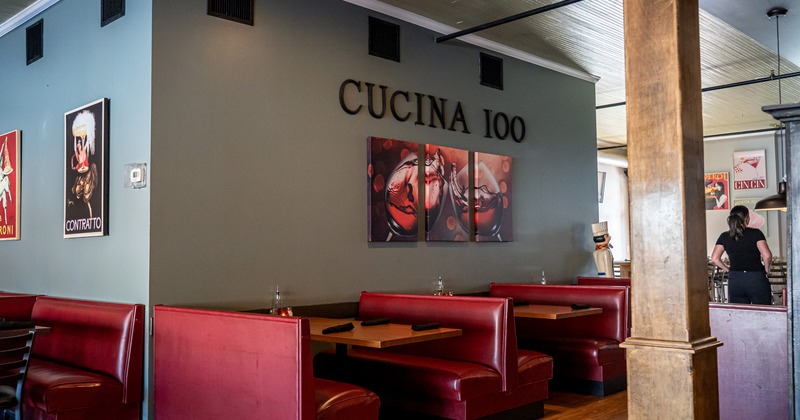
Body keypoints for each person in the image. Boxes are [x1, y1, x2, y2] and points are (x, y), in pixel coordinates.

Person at [711, 205, 772, 304]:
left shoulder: (725, 236)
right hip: (756, 277)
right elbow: (767, 255)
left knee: (739, 312)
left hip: (735, 279)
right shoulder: (756, 233)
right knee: (763, 311)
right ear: (747, 218)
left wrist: (727, 269)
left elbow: (715, 258)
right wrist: (766, 269)